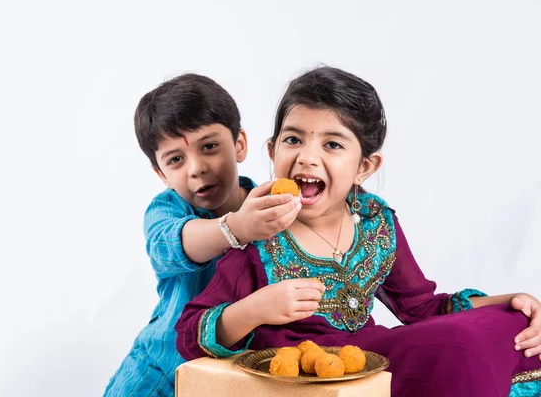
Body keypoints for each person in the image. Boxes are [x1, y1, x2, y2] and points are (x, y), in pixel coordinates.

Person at [175, 66, 541, 396]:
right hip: (301, 377)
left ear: (365, 166)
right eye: (293, 140)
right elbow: (190, 334)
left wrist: (507, 301)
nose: (307, 157)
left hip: (371, 362)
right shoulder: (261, 230)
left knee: (507, 322)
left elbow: (422, 308)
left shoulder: (374, 222)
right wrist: (254, 310)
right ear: (272, 151)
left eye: (332, 144)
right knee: (459, 344)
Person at [104, 73, 302, 396]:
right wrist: (238, 228)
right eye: (176, 160)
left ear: (239, 144)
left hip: (235, 380)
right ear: (161, 174)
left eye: (209, 146)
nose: (196, 168)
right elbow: (175, 243)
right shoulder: (166, 211)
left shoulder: (273, 205)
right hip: (160, 374)